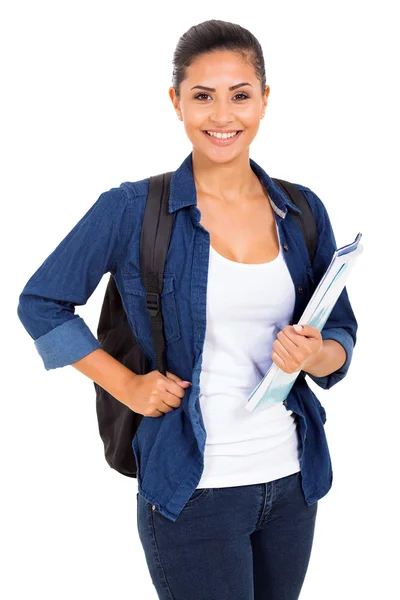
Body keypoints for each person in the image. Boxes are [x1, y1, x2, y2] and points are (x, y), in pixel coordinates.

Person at [17, 19, 358, 600]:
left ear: (265, 101)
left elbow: (341, 331)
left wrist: (317, 353)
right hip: (192, 488)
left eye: (240, 95)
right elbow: (41, 303)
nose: (222, 116)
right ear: (176, 102)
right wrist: (128, 385)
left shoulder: (302, 210)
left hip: (292, 479)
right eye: (203, 96)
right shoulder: (132, 209)